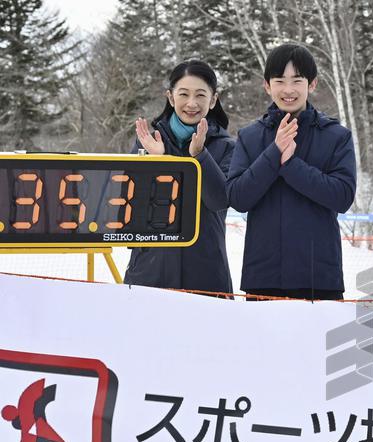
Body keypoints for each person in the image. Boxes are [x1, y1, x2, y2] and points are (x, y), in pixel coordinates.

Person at [227, 43, 356, 300]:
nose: (288, 90)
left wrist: (291, 165)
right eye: (279, 80)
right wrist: (274, 154)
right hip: (263, 278)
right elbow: (238, 198)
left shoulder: (335, 136)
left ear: (312, 84)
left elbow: (343, 197)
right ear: (267, 85)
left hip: (319, 279)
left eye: (297, 80)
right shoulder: (250, 137)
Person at [125, 60, 234, 294]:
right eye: (183, 94)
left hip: (206, 274)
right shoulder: (149, 141)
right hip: (150, 272)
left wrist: (200, 155)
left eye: (200, 95)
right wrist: (159, 161)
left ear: (213, 100)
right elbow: (131, 208)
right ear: (171, 97)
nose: (192, 103)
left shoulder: (227, 147)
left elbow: (218, 200)